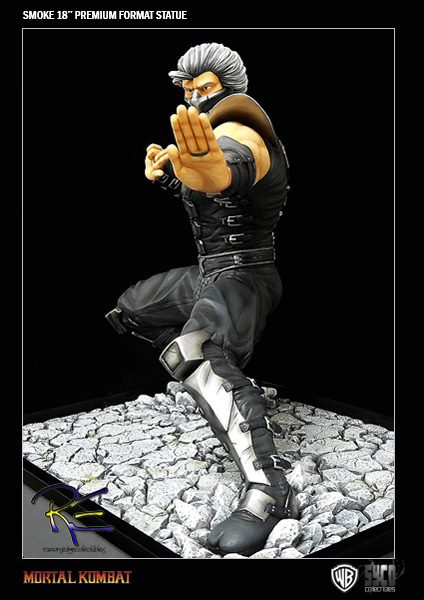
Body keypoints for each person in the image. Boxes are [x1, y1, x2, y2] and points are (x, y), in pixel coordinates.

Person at [106, 42, 298, 556]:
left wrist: (209, 170)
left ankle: (269, 489)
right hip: (209, 273)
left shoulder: (245, 132)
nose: (195, 98)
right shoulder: (207, 141)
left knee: (195, 353)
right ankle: (218, 382)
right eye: (189, 90)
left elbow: (229, 169)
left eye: (205, 88)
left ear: (229, 89)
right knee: (131, 310)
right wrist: (171, 174)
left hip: (245, 275)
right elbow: (206, 186)